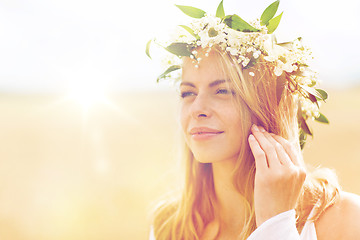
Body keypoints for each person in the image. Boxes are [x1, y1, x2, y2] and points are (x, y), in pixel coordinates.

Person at [146, 1, 360, 239]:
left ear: (267, 107)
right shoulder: (171, 227)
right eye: (188, 92)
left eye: (223, 91)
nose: (197, 109)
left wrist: (276, 224)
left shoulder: (344, 219)